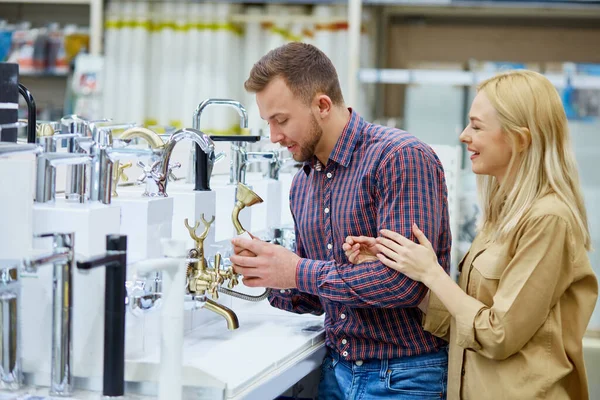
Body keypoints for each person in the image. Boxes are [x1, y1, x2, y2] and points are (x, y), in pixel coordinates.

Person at [344, 70, 599, 399]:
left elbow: (498, 334)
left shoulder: (548, 220)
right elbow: (466, 322)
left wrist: (432, 273)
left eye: (477, 126)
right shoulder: (503, 215)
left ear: (520, 139)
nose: (464, 135)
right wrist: (404, 267)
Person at [229, 42, 452, 399]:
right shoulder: (302, 184)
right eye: (268, 122)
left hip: (405, 376)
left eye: (281, 120)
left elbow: (403, 284)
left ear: (322, 105)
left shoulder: (399, 158)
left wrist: (296, 271)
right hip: (337, 372)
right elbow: (316, 299)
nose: (273, 136)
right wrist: (266, 274)